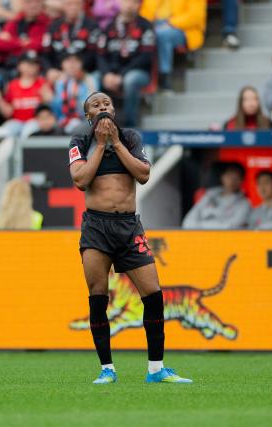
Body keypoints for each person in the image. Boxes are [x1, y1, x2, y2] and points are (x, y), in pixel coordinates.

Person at [69, 91, 192, 384]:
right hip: (96, 228)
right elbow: (81, 180)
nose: (102, 107)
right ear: (88, 116)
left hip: (128, 226)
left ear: (114, 110)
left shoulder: (132, 138)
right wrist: (100, 145)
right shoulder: (80, 141)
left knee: (153, 293)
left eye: (107, 104)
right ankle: (107, 369)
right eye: (95, 105)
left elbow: (144, 174)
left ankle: (156, 369)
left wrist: (115, 143)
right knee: (98, 296)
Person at [97, 0, 155, 127]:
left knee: (130, 80)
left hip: (139, 72)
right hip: (111, 72)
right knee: (94, 78)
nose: (129, 5)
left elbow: (146, 57)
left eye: (133, 2)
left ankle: (129, 125)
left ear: (139, 5)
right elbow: (100, 54)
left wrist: (121, 75)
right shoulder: (109, 26)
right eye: (126, 1)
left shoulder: (145, 26)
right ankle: (97, 123)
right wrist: (106, 74)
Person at [140, 0, 206, 91]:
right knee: (148, 34)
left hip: (183, 28)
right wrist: (150, 25)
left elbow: (195, 16)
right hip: (154, 25)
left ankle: (164, 75)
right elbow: (144, 13)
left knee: (162, 35)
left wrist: (170, 23)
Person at [0, 51, 53, 138]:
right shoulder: (12, 85)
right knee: (4, 131)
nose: (32, 66)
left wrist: (48, 99)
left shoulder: (43, 83)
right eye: (28, 63)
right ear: (19, 65)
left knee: (29, 131)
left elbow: (50, 109)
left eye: (35, 63)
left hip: (35, 121)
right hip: (16, 122)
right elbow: (8, 112)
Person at [42, 0, 100, 84]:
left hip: (84, 71)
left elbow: (93, 54)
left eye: (76, 4)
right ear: (63, 6)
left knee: (93, 80)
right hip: (58, 72)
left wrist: (74, 69)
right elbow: (45, 53)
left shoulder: (92, 25)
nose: (73, 7)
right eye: (69, 4)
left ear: (82, 5)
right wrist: (49, 69)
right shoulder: (53, 26)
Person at [182, 163, 251, 229]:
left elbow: (233, 228)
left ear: (242, 180)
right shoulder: (208, 196)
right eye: (229, 176)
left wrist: (202, 225)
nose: (231, 181)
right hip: (199, 238)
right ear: (222, 177)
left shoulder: (245, 203)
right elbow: (188, 222)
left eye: (235, 177)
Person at [0, 0, 49, 69]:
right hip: (10, 65)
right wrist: (24, 42)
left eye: (37, 2)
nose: (33, 5)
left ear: (42, 4)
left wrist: (12, 41)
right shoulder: (16, 20)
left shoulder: (47, 22)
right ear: (22, 4)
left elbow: (40, 46)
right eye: (28, 2)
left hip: (34, 67)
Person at [51, 52, 97, 133]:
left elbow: (92, 110)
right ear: (62, 64)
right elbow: (56, 110)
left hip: (83, 120)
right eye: (68, 61)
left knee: (77, 128)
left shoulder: (89, 80)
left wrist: (77, 99)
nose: (72, 65)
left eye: (76, 61)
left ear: (81, 64)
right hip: (63, 120)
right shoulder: (59, 82)